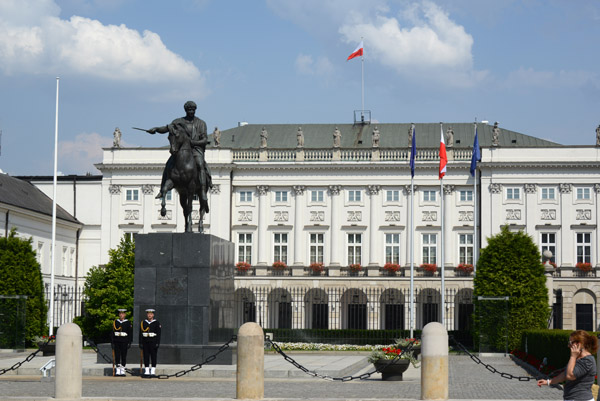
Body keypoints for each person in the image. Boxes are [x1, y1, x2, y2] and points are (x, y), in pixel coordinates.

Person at [148, 101, 212, 202]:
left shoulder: (201, 123)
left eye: (192, 110)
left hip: (195, 149)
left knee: (200, 164)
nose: (191, 111)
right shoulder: (178, 122)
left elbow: (204, 140)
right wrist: (156, 129)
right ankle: (162, 190)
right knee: (168, 165)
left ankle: (203, 191)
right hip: (181, 150)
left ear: (195, 110)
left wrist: (192, 142)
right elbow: (166, 128)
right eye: (188, 110)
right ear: (185, 110)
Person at [537, 330, 598, 401]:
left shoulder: (587, 361)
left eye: (571, 343)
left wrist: (573, 356)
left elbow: (569, 376)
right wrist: (549, 382)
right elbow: (565, 374)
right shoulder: (578, 358)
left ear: (579, 344)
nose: (568, 345)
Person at [139, 308, 161, 378]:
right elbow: (140, 333)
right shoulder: (143, 323)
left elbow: (159, 333)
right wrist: (140, 342)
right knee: (146, 356)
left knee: (153, 356)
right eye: (148, 314)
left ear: (153, 315)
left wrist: (157, 342)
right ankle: (147, 370)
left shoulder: (156, 323)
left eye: (151, 314)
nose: (149, 315)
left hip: (153, 341)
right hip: (145, 341)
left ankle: (153, 370)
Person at [111, 308, 132, 376]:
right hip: (117, 341)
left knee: (123, 355)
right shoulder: (115, 322)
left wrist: (129, 342)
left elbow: (130, 333)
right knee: (117, 355)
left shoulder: (128, 323)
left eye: (122, 314)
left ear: (125, 315)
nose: (121, 315)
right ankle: (118, 370)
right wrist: (112, 342)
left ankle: (122, 370)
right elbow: (112, 333)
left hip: (124, 341)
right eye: (120, 314)